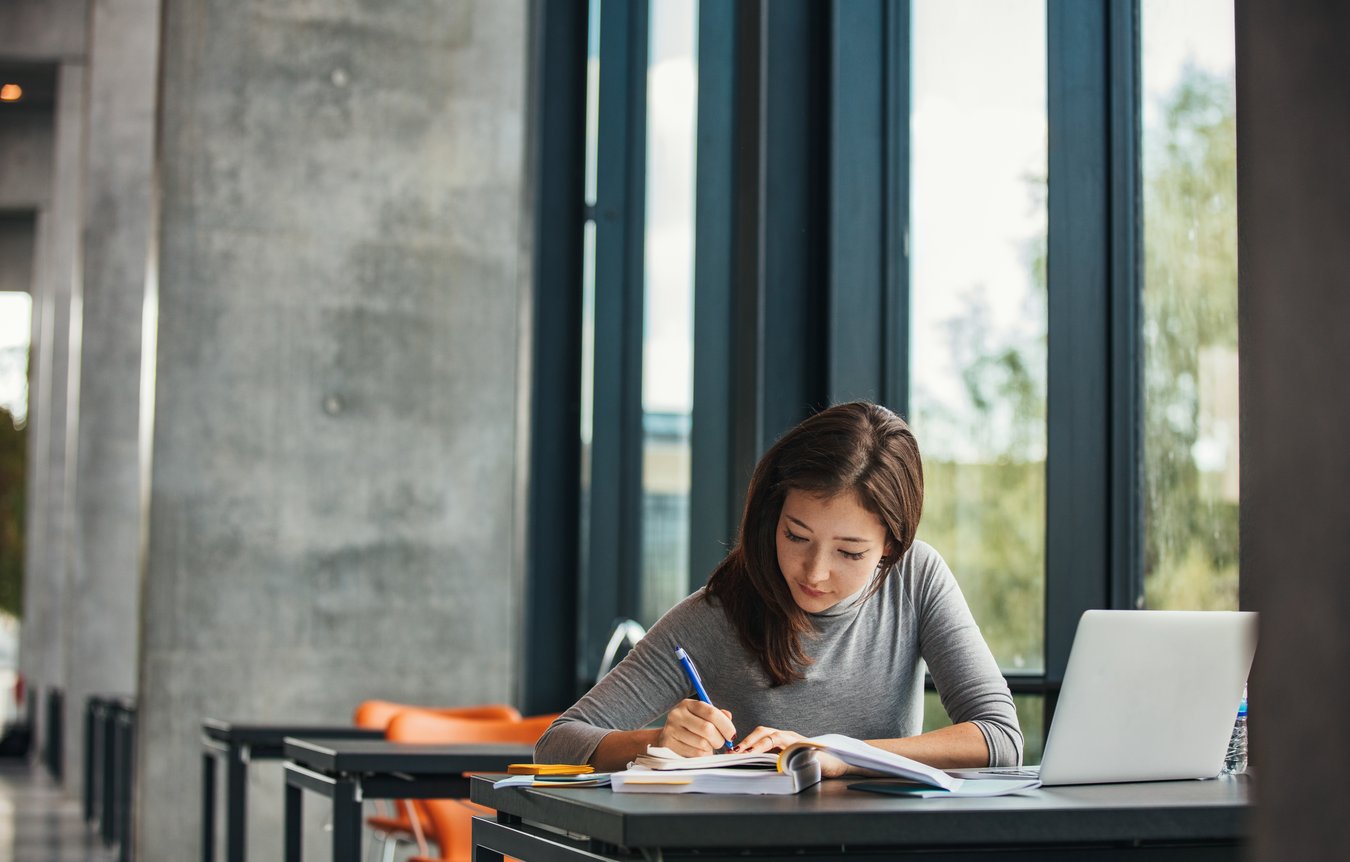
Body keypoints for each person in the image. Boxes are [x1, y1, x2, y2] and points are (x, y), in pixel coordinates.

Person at [535, 401, 1022, 776]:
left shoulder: (915, 579)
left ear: (891, 547)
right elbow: (556, 743)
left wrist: (835, 753)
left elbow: (999, 737)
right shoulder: (717, 613)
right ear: (772, 517)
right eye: (796, 536)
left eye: (849, 553)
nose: (814, 572)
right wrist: (657, 741)